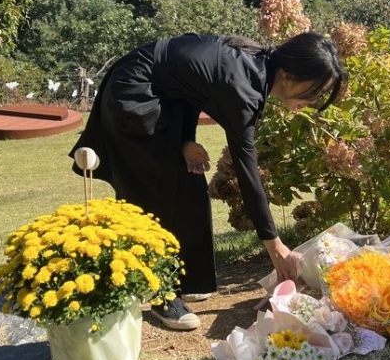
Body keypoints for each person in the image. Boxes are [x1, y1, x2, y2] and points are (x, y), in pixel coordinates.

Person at [70, 32, 346, 331]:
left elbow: (188, 85)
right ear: (290, 76)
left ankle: (185, 279)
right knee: (158, 198)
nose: (313, 101)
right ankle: (163, 293)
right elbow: (246, 169)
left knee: (188, 185)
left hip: (163, 98)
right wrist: (275, 246)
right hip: (133, 97)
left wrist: (185, 140)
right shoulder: (244, 86)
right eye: (314, 91)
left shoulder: (258, 68)